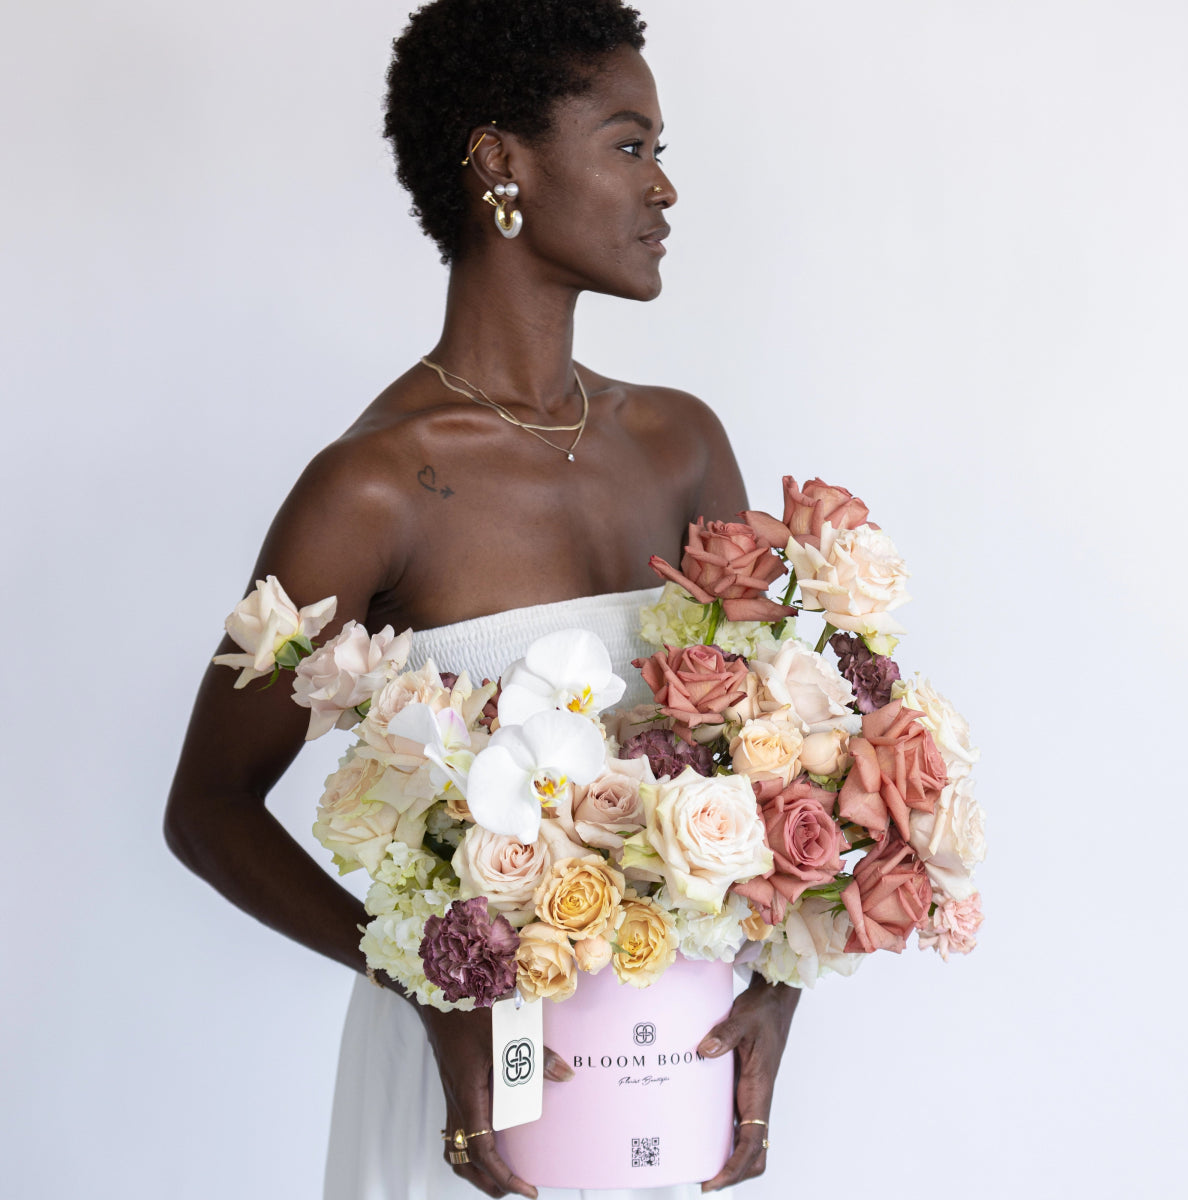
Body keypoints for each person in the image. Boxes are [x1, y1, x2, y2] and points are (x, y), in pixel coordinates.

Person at [164, 3, 800, 1197]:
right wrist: (420, 988)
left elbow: (781, 769)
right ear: (501, 162)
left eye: (660, 150)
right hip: (470, 1098)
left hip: (673, 1073)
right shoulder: (374, 486)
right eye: (629, 144)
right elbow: (208, 809)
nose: (664, 187)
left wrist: (779, 987)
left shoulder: (682, 445)